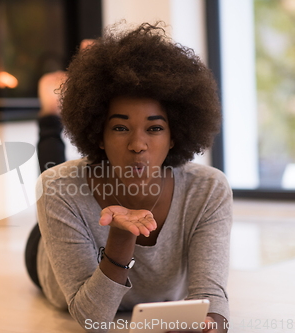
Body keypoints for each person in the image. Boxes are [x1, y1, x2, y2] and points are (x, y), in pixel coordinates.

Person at [27, 22, 232, 333]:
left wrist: (209, 326)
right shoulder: (59, 189)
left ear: (175, 135)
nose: (138, 145)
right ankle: (49, 111)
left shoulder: (207, 190)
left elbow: (212, 301)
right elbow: (93, 319)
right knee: (54, 176)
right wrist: (121, 236)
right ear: (98, 134)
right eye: (120, 127)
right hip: (46, 250)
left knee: (59, 177)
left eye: (155, 128)